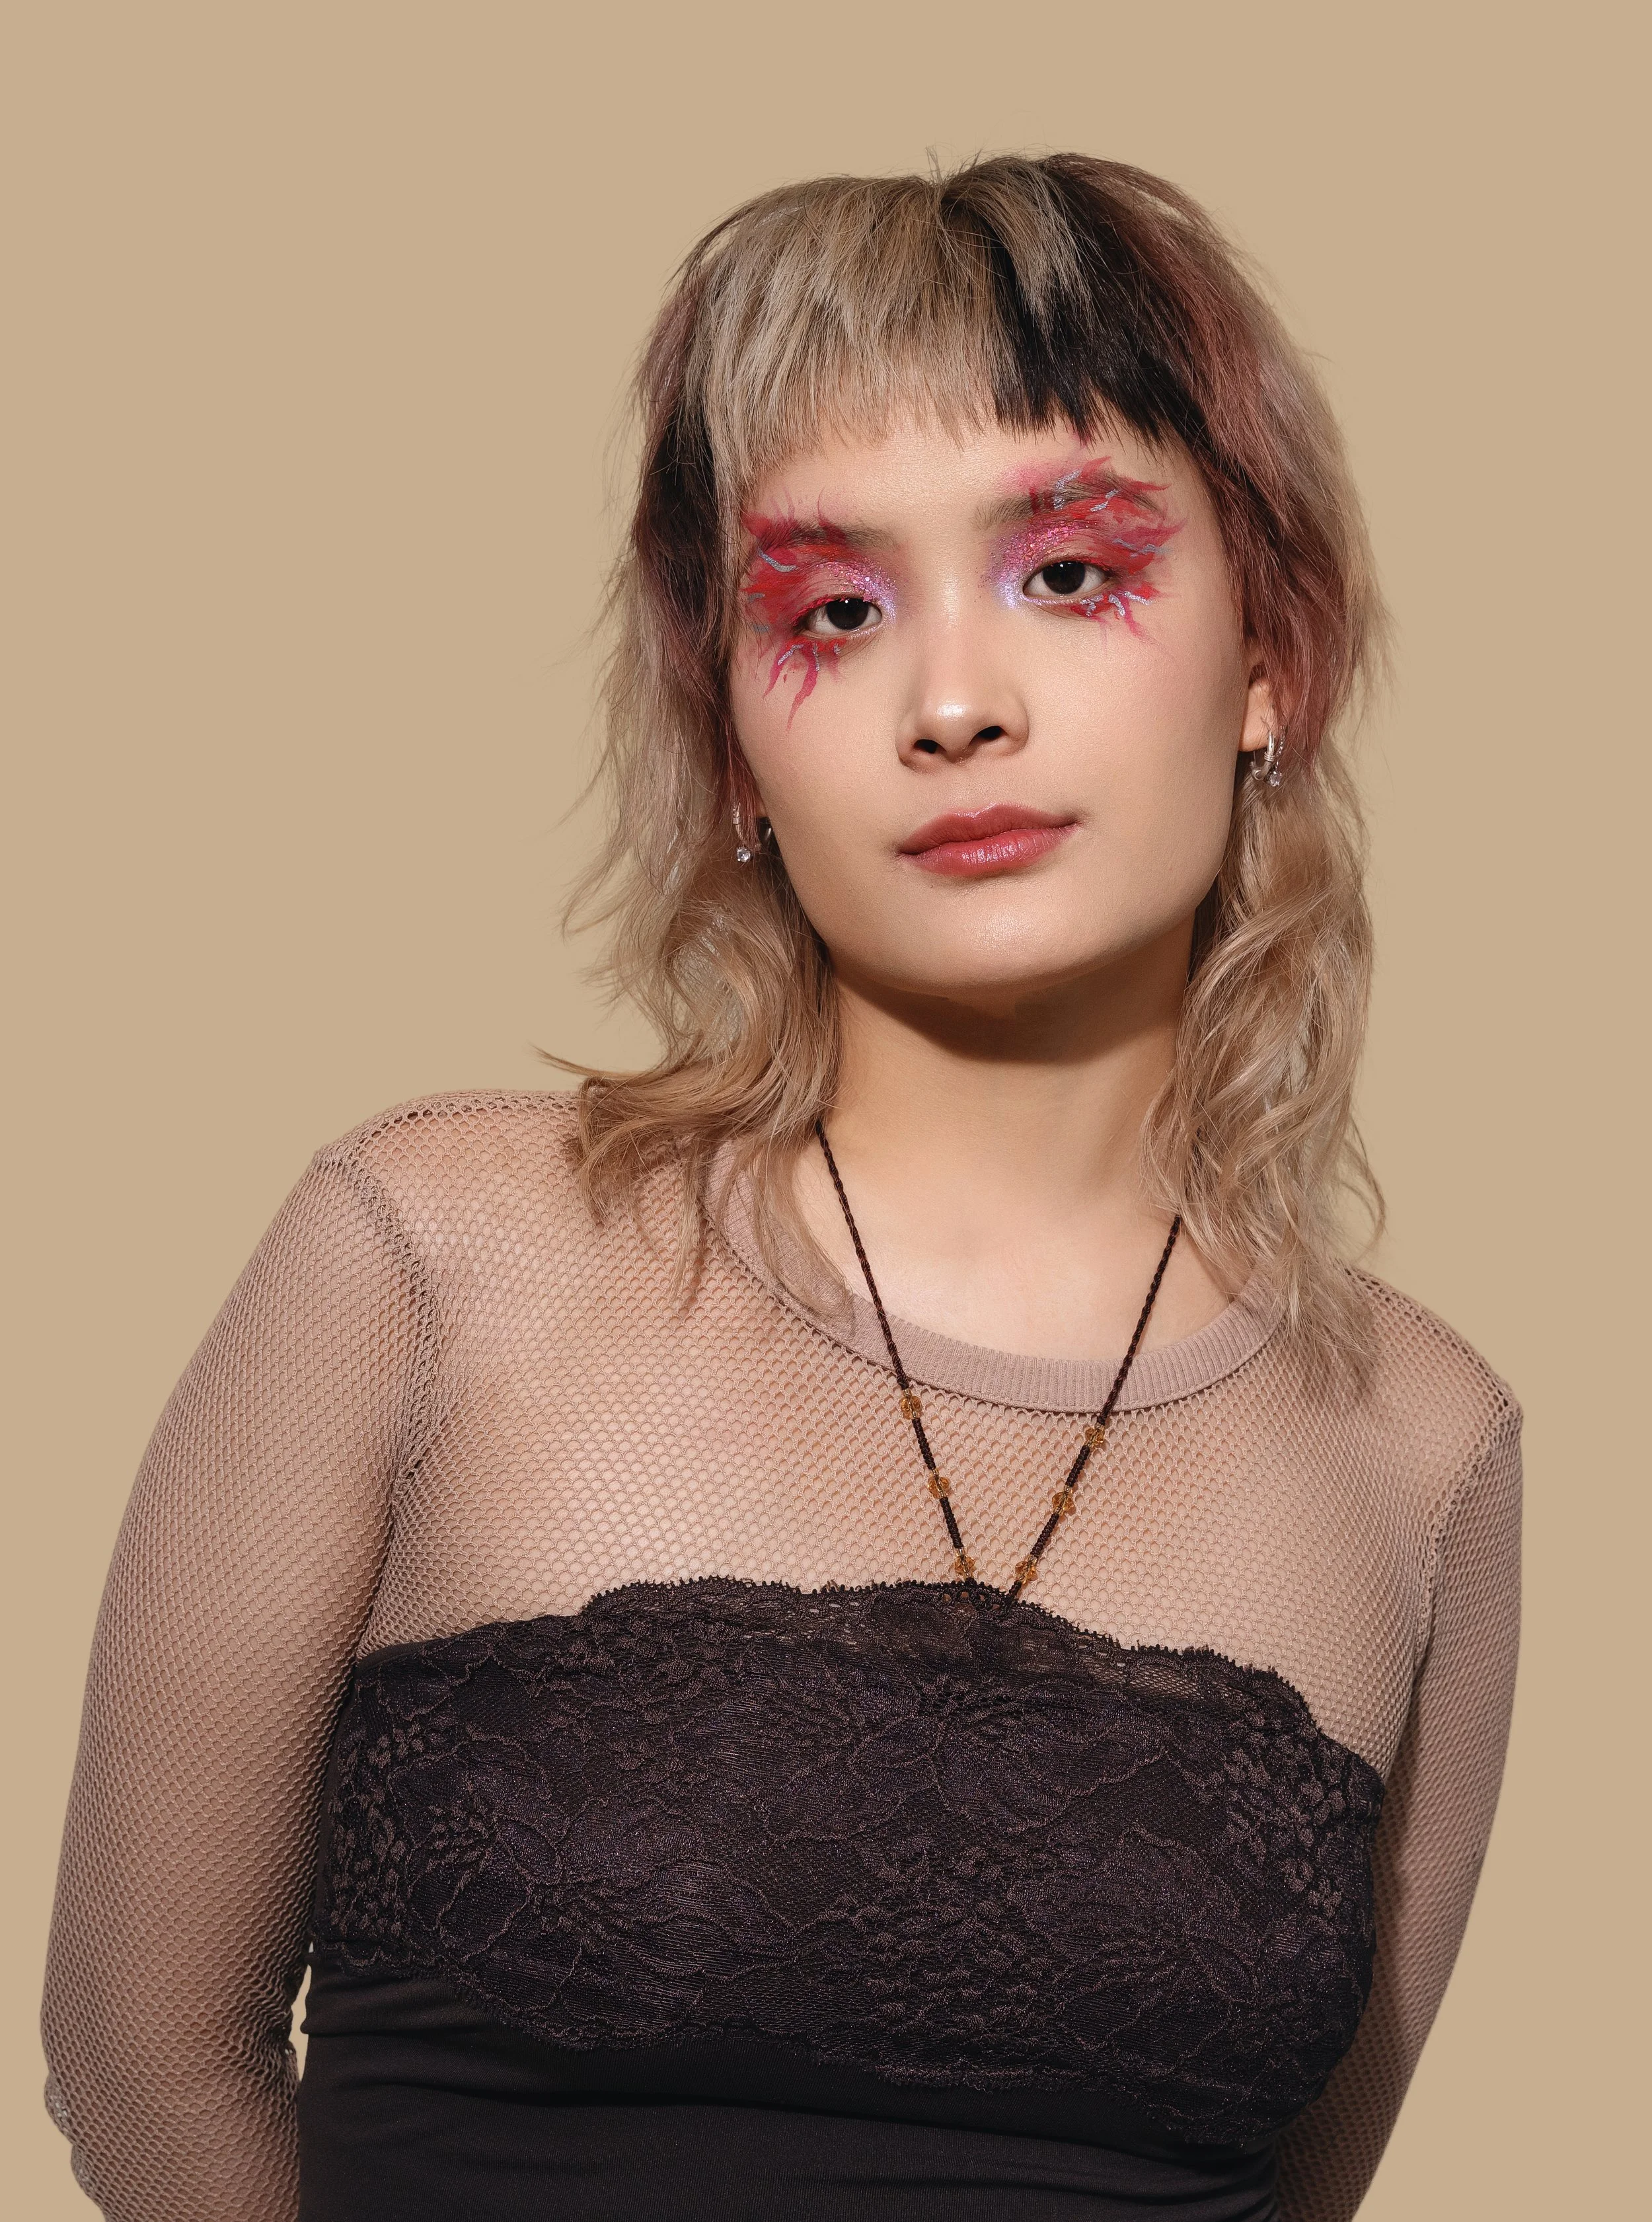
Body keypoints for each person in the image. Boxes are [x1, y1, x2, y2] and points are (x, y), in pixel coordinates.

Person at [42, 155, 1521, 2222]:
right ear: (730, 742)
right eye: (833, 608)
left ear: (1274, 654)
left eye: (1067, 574)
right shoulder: (431, 1252)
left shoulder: (1426, 1443)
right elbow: (149, 2066)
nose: (951, 705)